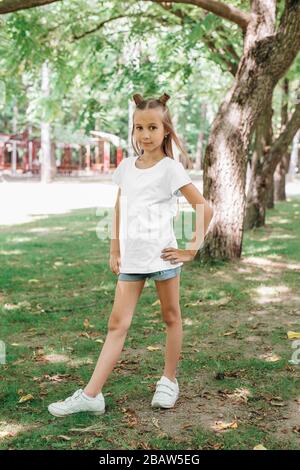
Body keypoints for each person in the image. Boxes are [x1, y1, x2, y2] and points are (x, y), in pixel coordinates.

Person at [48, 92, 214, 417]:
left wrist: (190, 249)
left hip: (164, 258)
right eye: (139, 128)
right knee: (117, 324)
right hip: (133, 260)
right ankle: (91, 395)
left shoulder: (171, 169)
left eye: (153, 127)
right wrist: (114, 247)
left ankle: (168, 381)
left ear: (166, 130)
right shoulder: (126, 167)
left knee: (171, 317)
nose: (145, 135)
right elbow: (119, 206)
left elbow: (204, 208)